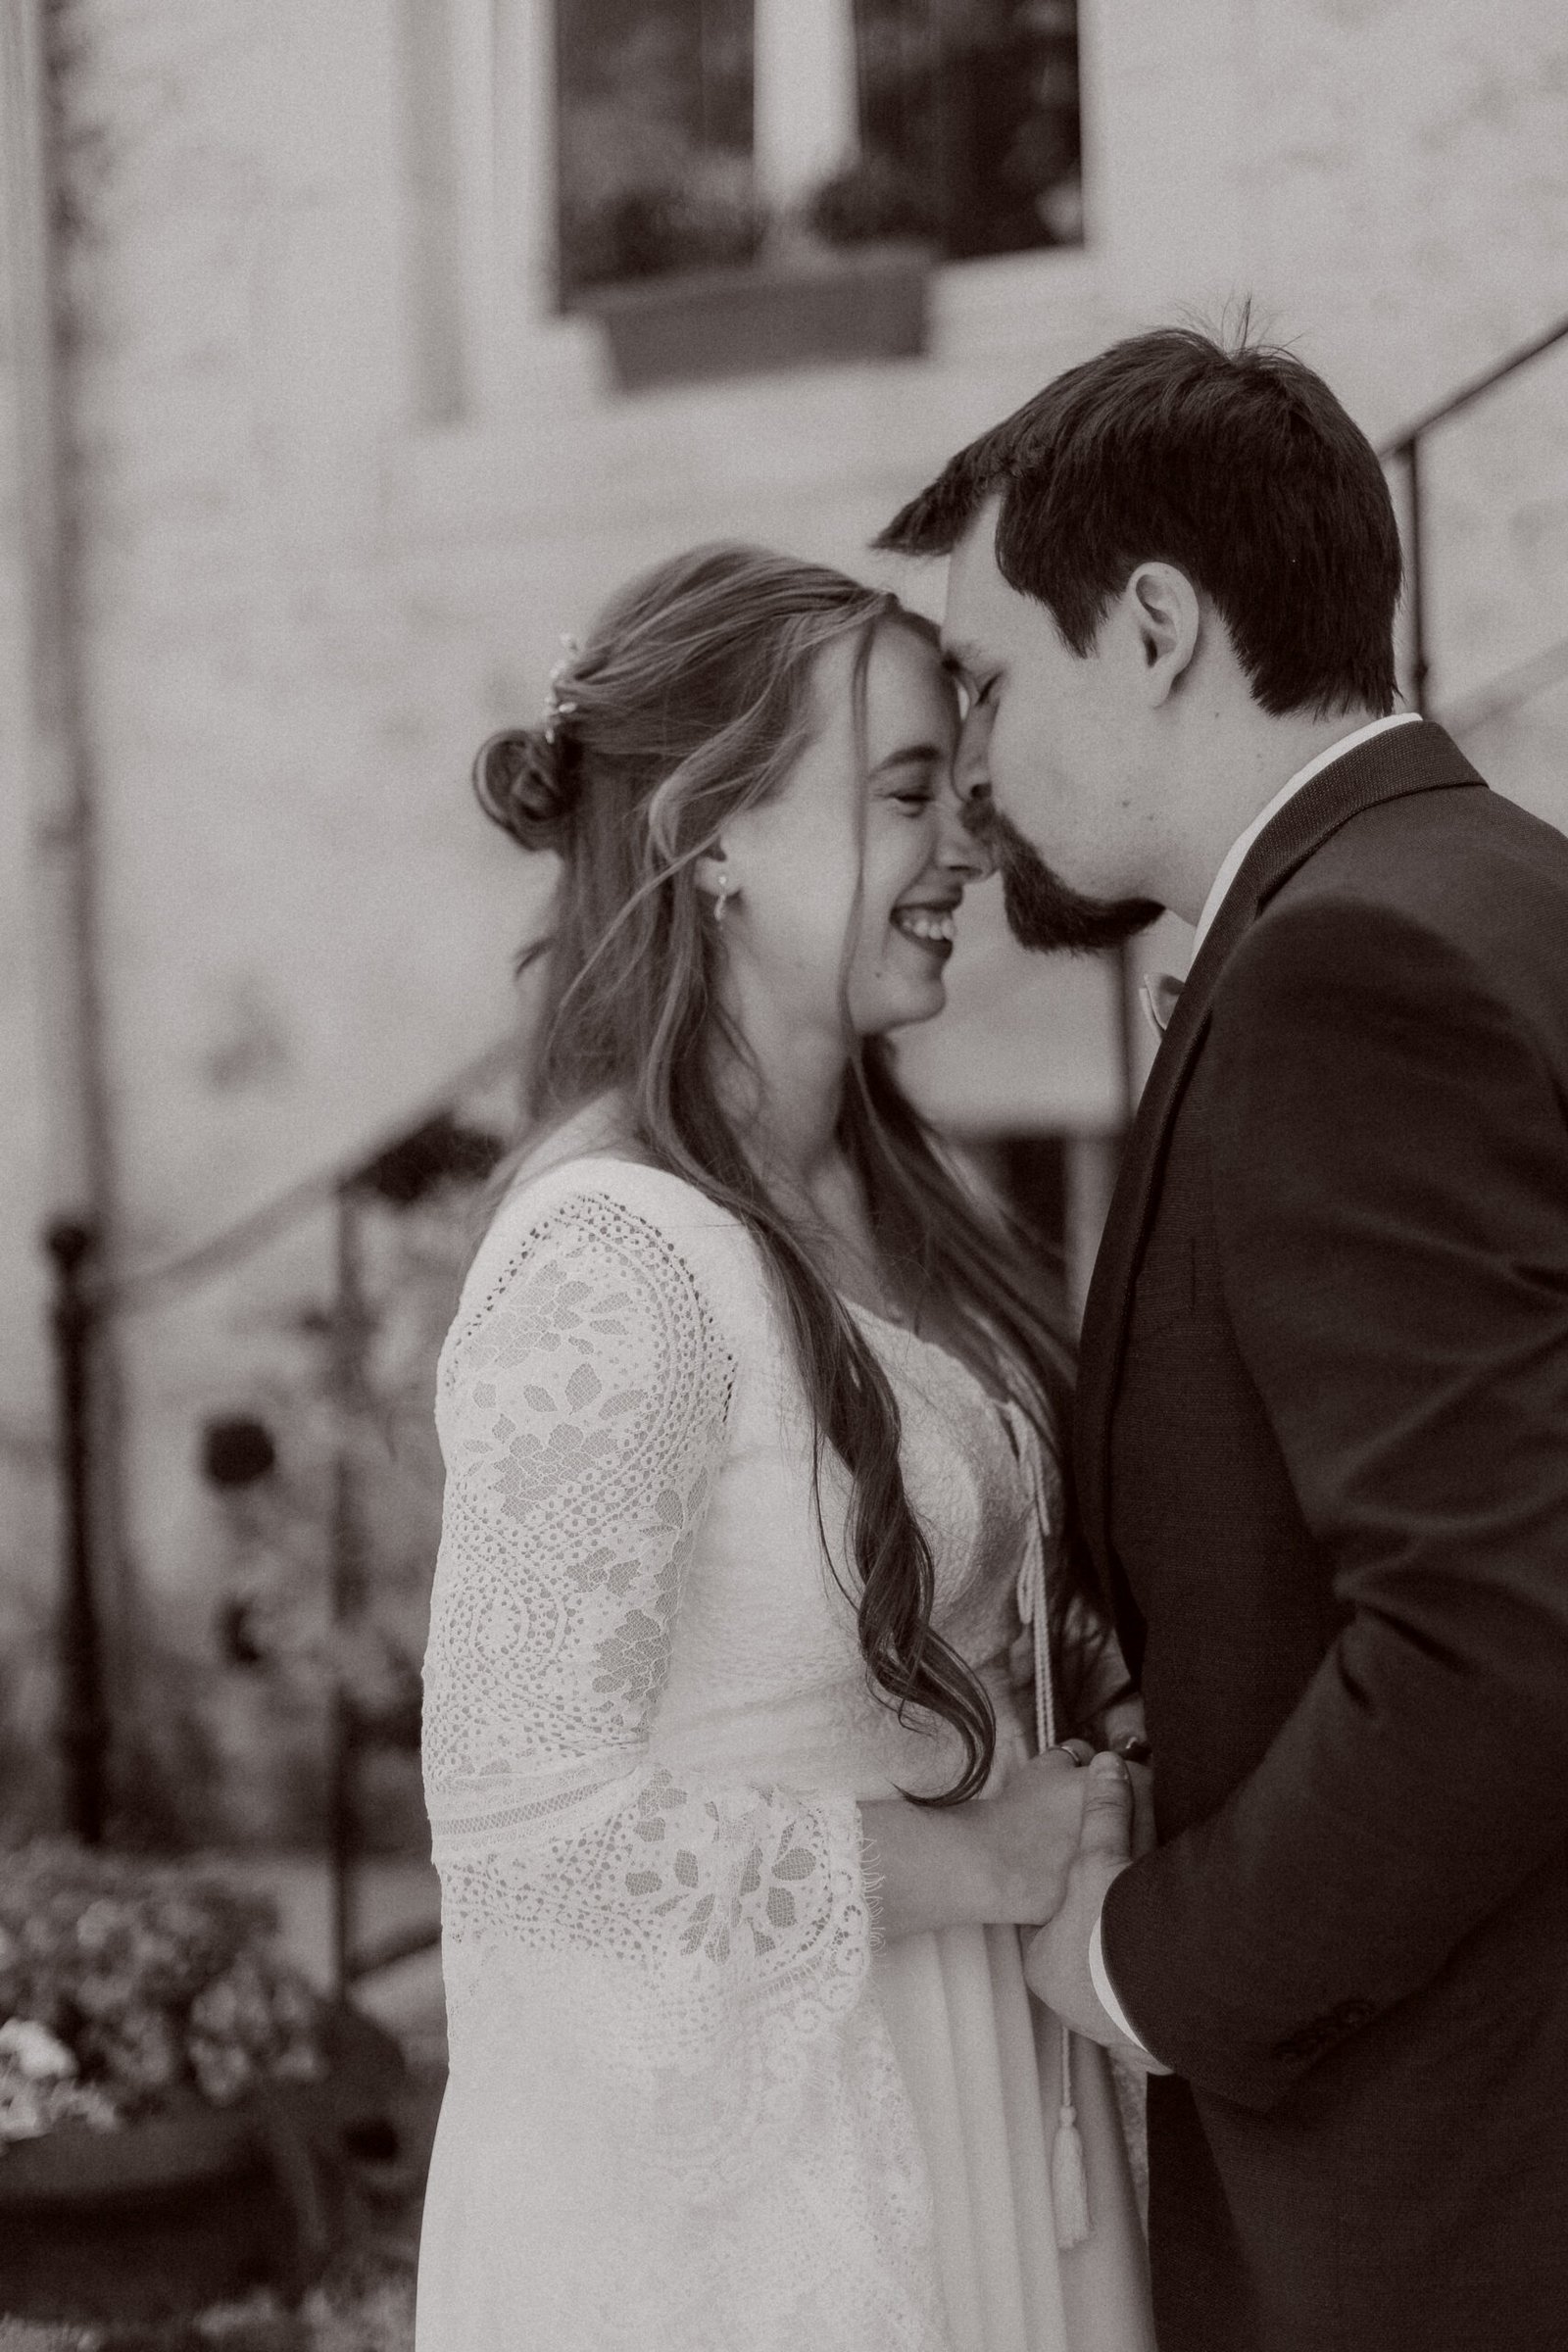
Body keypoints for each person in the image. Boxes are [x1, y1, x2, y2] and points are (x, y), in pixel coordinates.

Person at [877, 323, 1568, 2352]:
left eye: (988, 681)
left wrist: (1146, 1965)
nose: (971, 770)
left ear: (1158, 627)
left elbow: (1494, 1633)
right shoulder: (1500, 891)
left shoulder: (1347, 970)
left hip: (1446, 2192)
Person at [415, 544, 1155, 2352]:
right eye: (905, 794)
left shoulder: (899, 1203)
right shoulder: (612, 1263)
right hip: (762, 2182)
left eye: (957, 792)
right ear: (712, 837)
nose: (965, 850)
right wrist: (974, 1864)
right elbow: (528, 1841)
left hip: (988, 2081)